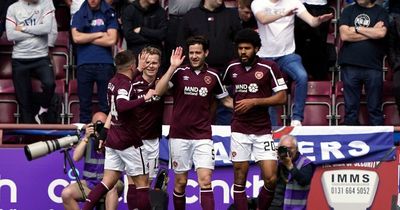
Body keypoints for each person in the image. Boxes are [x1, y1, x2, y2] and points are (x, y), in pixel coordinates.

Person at [155, 36, 233, 210]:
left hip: (202, 136)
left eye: (198, 52)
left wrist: (249, 108)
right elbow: (158, 92)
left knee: (205, 181)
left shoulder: (213, 75)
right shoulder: (179, 72)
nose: (194, 56)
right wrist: (172, 66)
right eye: (191, 53)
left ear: (206, 53)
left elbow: (226, 101)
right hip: (179, 136)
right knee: (180, 183)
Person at [81, 50, 157, 210]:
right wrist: (145, 98)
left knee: (107, 182)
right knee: (143, 185)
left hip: (113, 140)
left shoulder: (113, 81)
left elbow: (123, 87)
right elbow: (122, 105)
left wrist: (139, 69)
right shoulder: (125, 84)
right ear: (131, 66)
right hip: (129, 141)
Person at [223, 29, 287, 210]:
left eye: (247, 48)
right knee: (239, 178)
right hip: (239, 129)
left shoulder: (269, 67)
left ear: (257, 48)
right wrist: (230, 103)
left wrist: (254, 102)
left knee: (271, 178)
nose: (243, 52)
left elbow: (282, 97)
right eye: (240, 48)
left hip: (262, 130)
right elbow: (219, 91)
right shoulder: (231, 67)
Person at [251, 0, 333, 126]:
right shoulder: (258, 2)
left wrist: (319, 20)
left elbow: (311, 21)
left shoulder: (293, 2)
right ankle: (271, 128)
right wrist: (284, 14)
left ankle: (297, 119)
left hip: (287, 55)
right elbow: (263, 19)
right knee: (271, 93)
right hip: (265, 57)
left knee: (302, 76)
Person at [338, 0, 388, 125]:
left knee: (375, 108)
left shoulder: (381, 11)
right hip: (350, 64)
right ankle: (350, 140)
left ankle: (378, 142)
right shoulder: (348, 10)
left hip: (373, 65)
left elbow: (381, 33)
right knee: (350, 110)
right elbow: (344, 35)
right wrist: (371, 32)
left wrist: (356, 28)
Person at [6, 0, 56, 124]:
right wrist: (36, 33)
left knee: (50, 84)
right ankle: (29, 136)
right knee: (24, 101)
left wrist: (22, 28)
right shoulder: (13, 8)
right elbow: (11, 35)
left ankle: (43, 110)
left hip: (41, 57)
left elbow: (46, 28)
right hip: (19, 59)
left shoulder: (46, 4)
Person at [61, 112, 123, 210]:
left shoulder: (114, 136)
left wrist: (106, 138)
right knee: (66, 193)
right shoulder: (87, 137)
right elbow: (76, 158)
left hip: (112, 182)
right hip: (90, 183)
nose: (100, 128)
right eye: (97, 125)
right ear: (92, 125)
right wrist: (86, 138)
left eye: (103, 124)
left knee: (112, 188)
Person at [71, 0, 118, 123]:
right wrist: (100, 34)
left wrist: (85, 37)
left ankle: (107, 137)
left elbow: (111, 40)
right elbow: (76, 38)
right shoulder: (78, 14)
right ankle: (84, 139)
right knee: (84, 106)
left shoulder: (109, 13)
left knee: (106, 105)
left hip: (105, 64)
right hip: (84, 64)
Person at [269, 135, 315, 210]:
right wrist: (274, 161)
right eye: (283, 149)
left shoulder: (305, 163)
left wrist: (290, 166)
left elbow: (304, 181)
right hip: (274, 205)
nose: (287, 152)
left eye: (290, 148)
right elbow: (267, 178)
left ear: (296, 149)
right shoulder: (276, 161)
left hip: (293, 207)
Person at [294, 0, 334, 80]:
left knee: (319, 44)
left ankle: (318, 78)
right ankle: (301, 76)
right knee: (300, 43)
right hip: (301, 6)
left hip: (322, 6)